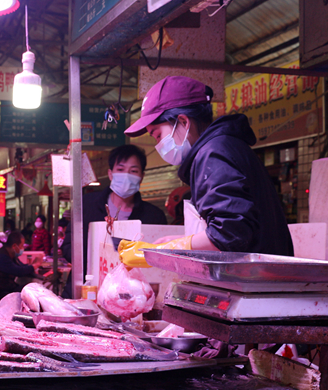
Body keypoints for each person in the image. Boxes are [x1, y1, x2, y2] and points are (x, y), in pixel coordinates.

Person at [119, 76, 293, 267]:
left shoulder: (213, 153)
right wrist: (174, 242)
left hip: (257, 285)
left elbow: (229, 233)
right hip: (262, 282)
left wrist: (175, 247)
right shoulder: (225, 146)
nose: (158, 145)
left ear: (183, 122)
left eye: (158, 135)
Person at [60, 144, 167, 297]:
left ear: (142, 176)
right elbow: (68, 247)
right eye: (121, 169)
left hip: (130, 299)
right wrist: (98, 256)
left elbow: (159, 262)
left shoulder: (154, 216)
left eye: (134, 171)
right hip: (85, 292)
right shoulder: (86, 204)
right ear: (110, 174)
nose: (126, 175)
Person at [0, 231, 39, 304]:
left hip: (5, 290)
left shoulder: (11, 255)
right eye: (22, 246)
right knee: (29, 291)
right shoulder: (1, 257)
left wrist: (32, 268)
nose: (23, 248)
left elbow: (21, 266)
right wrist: (33, 266)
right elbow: (18, 271)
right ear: (14, 246)